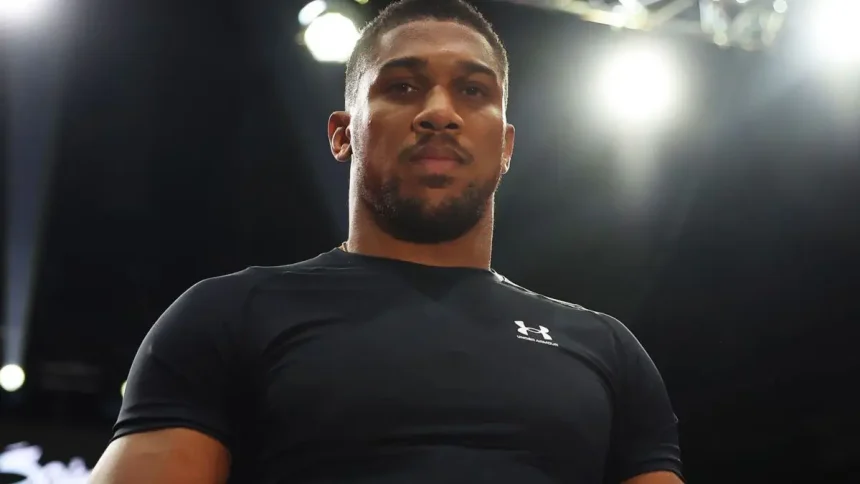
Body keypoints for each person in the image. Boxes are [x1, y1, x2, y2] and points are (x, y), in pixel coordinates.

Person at [90, 0, 684, 483]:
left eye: (473, 91)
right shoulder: (228, 316)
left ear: (505, 147)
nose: (440, 113)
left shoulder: (606, 349)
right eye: (402, 87)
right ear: (342, 134)